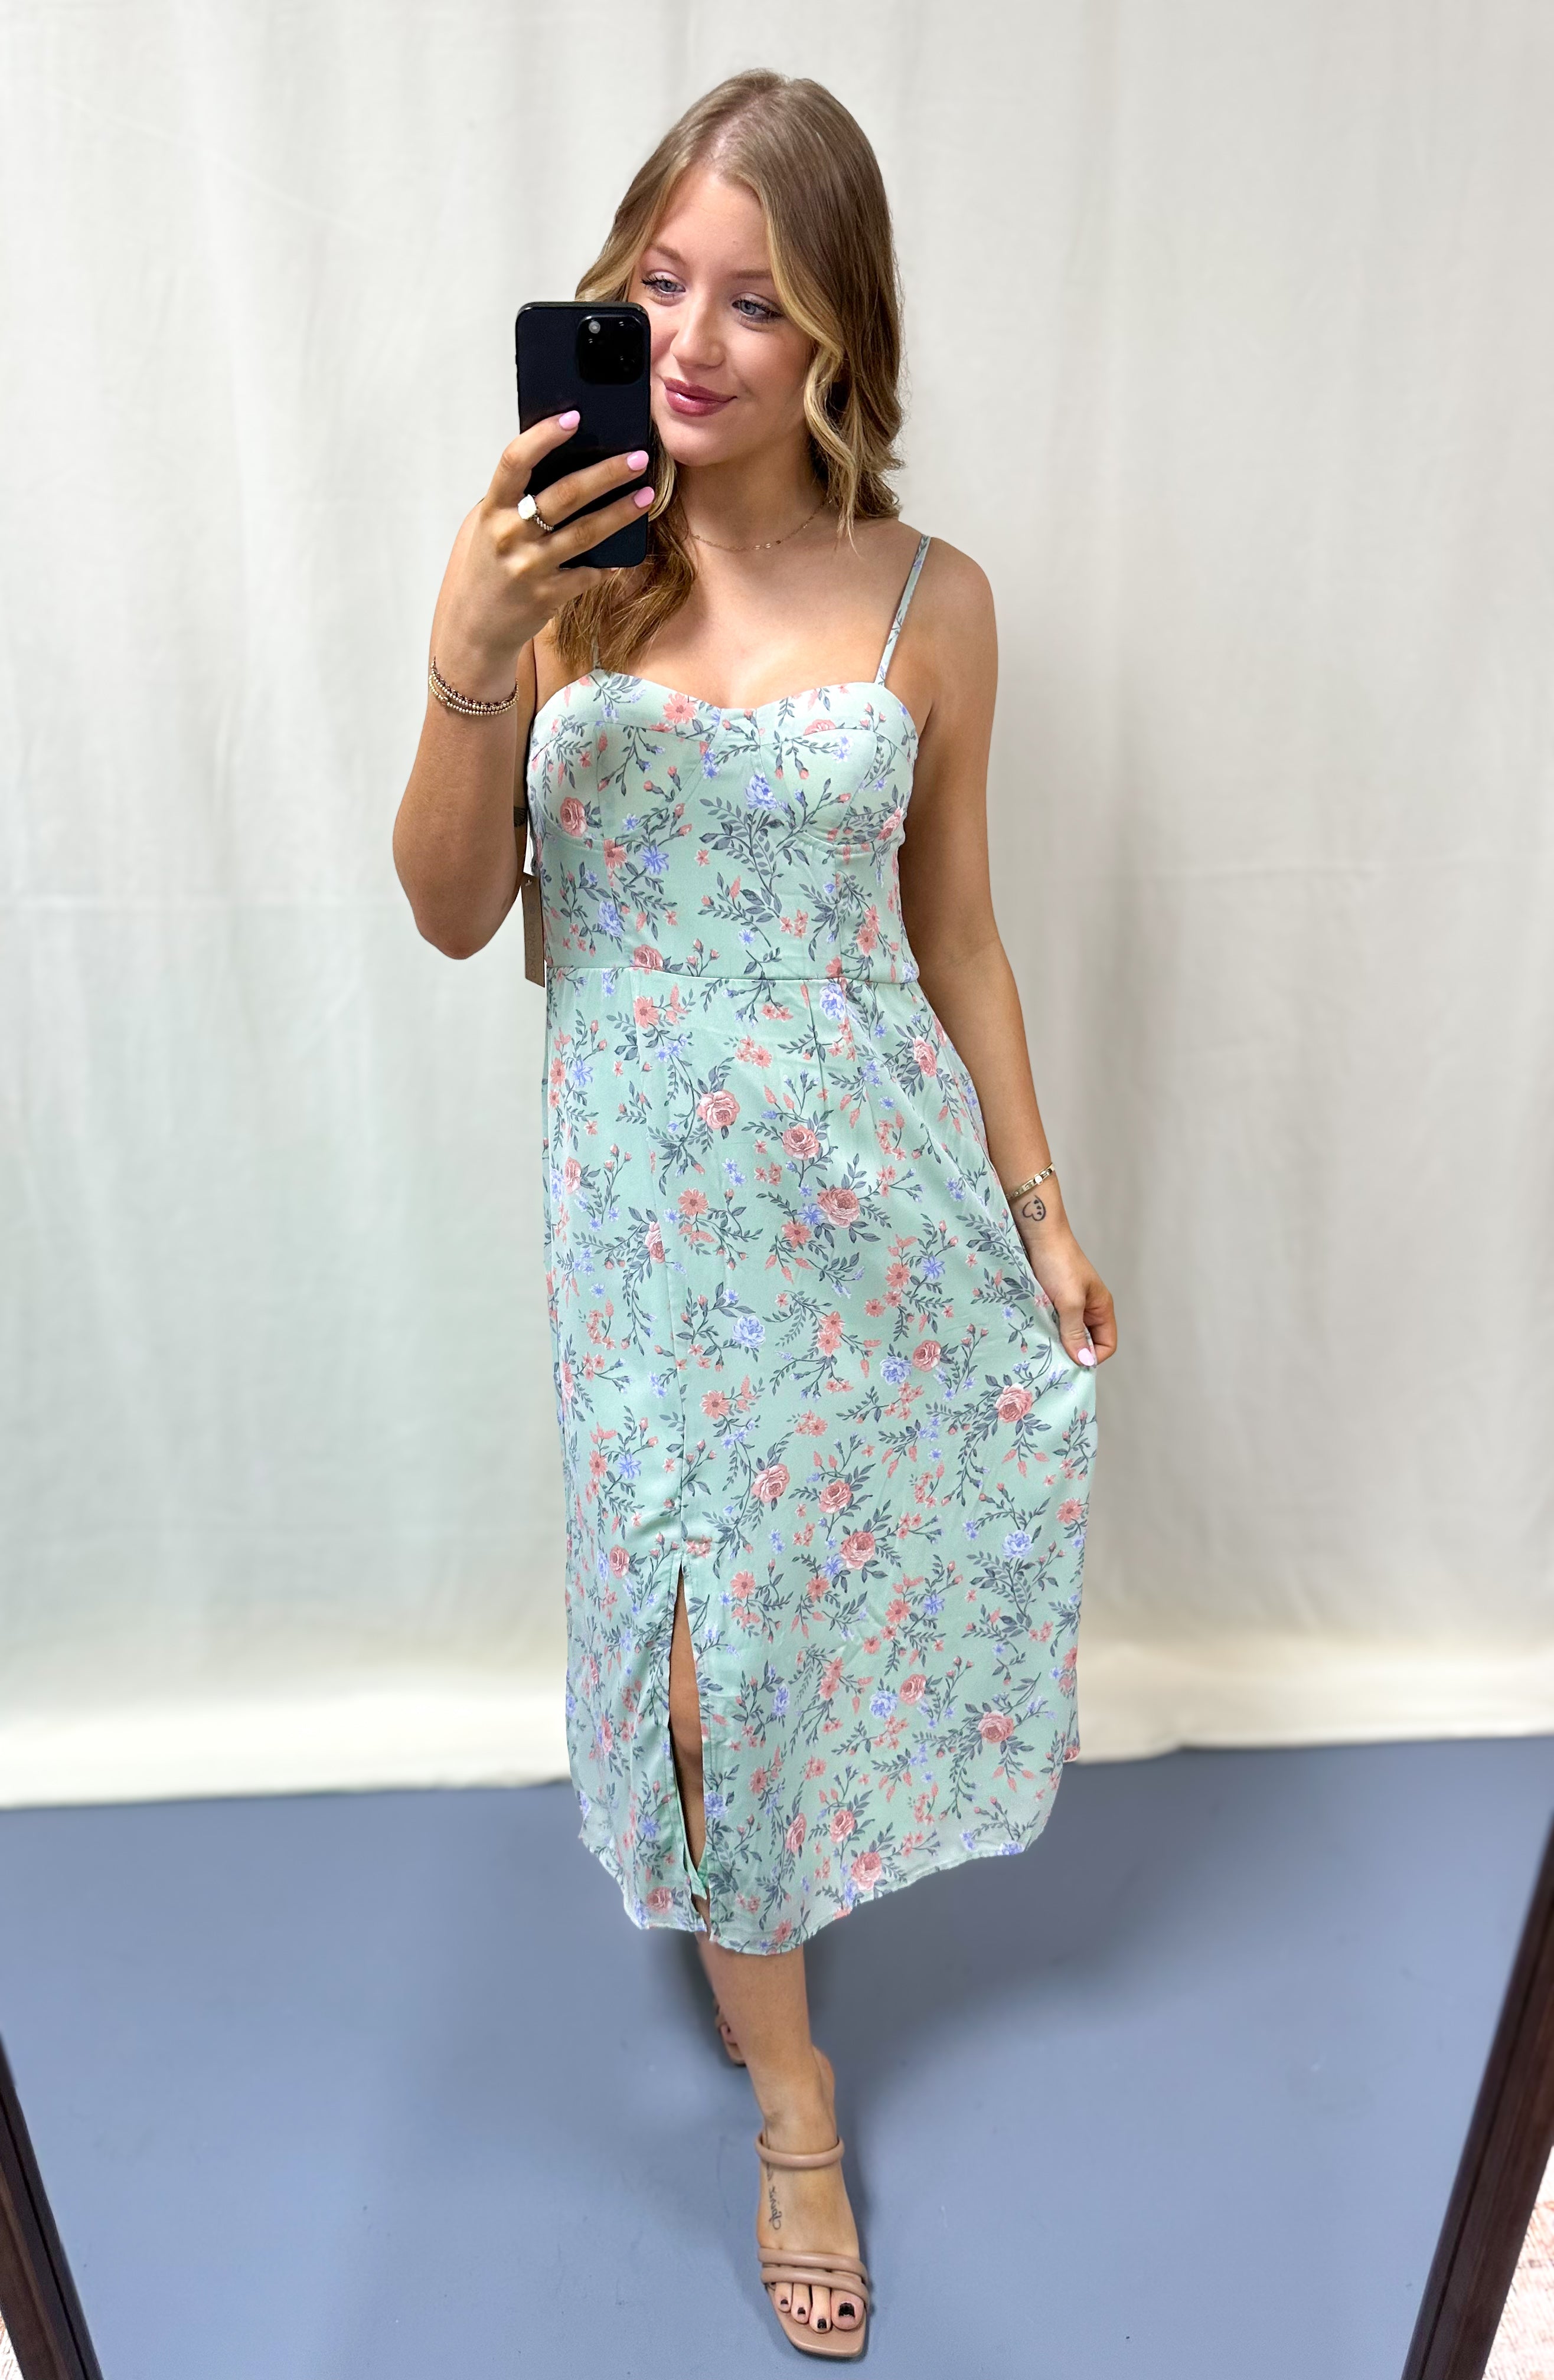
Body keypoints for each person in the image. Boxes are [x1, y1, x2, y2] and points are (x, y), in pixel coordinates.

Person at [393, 65, 1116, 2362]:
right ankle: (793, 2095)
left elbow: (957, 933)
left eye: (760, 300)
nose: (693, 341)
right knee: (695, 1666)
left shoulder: (934, 603)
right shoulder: (562, 579)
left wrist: (1036, 1206)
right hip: (644, 1226)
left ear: (840, 337)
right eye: (659, 283)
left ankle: (774, 1942)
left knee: (797, 1638)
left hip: (865, 1204)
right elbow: (448, 910)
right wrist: (470, 649)